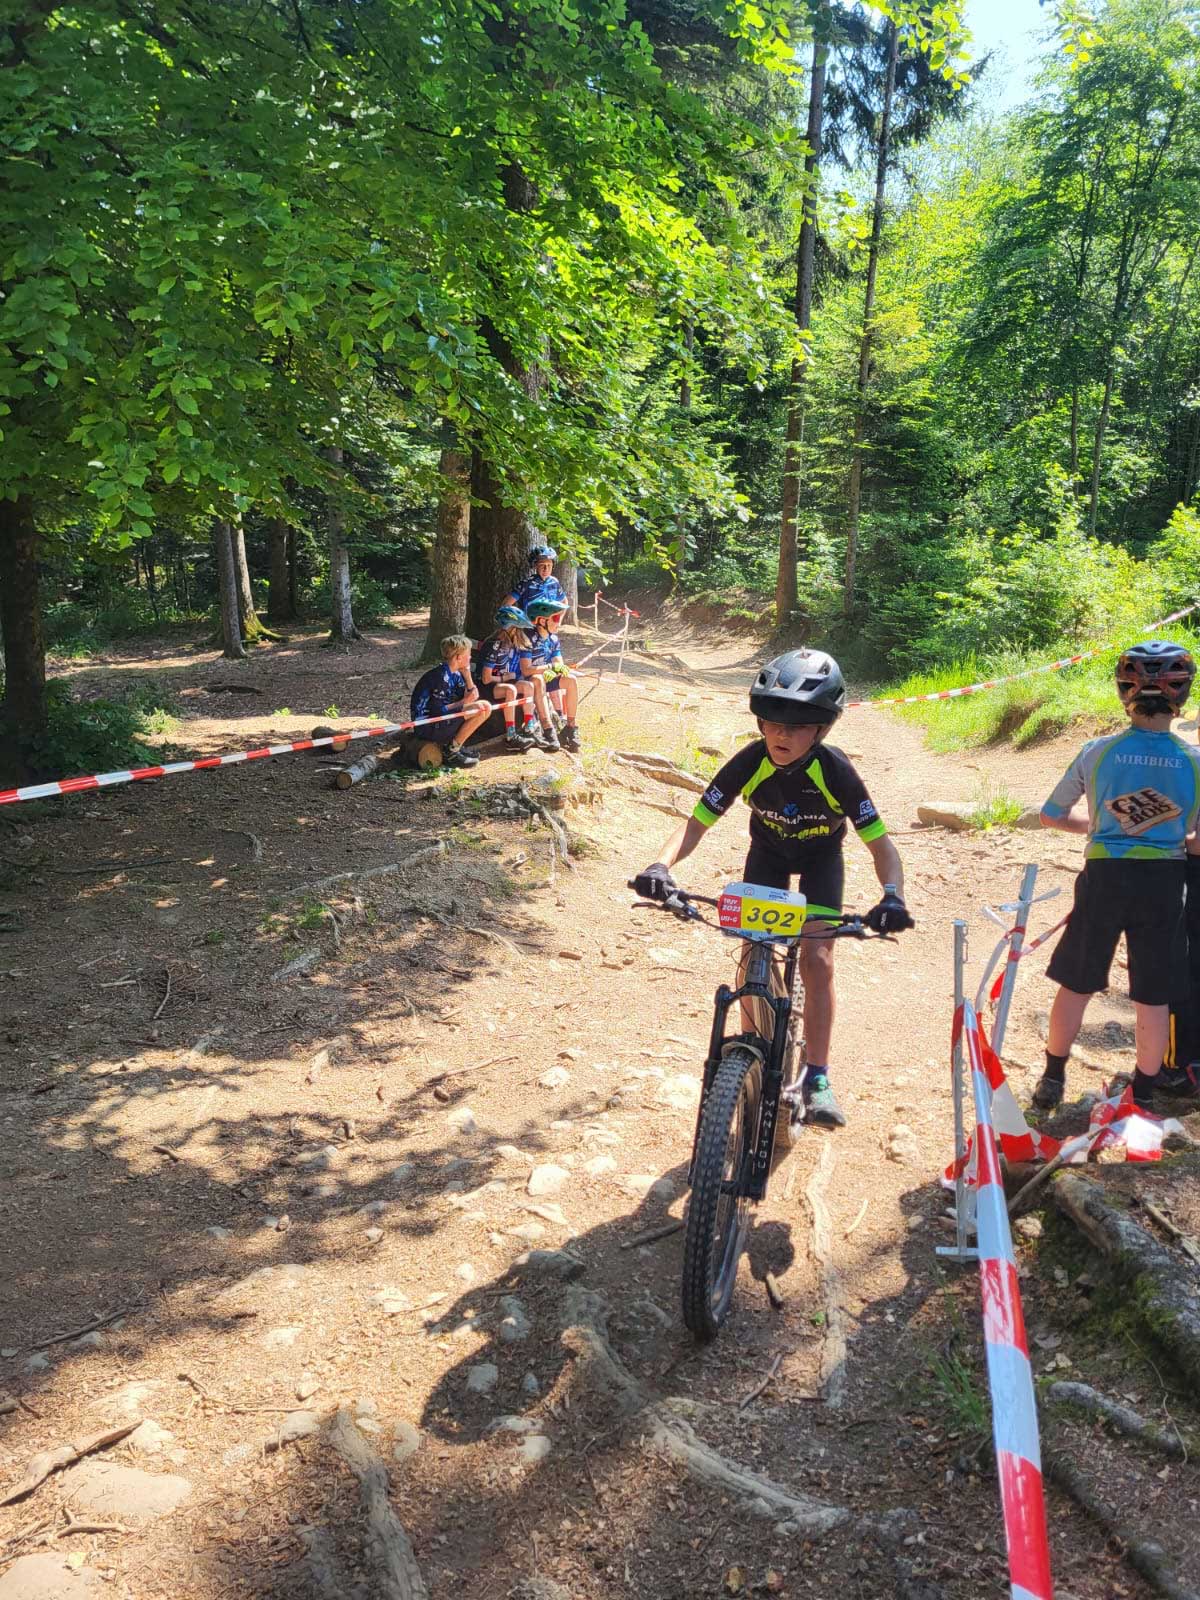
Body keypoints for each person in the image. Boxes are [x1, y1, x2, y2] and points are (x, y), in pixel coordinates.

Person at [633, 648, 912, 1128]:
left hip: (821, 861)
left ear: (821, 730)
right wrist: (660, 865)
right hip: (767, 856)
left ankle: (818, 1077)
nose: (782, 734)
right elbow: (695, 825)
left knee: (818, 959)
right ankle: (755, 1053)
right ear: (760, 722)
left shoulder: (836, 771)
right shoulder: (749, 762)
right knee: (753, 954)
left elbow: (882, 847)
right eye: (773, 722)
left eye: (798, 726)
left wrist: (892, 896)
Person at [1035, 638, 1200, 1112]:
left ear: (1124, 693)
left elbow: (1051, 814)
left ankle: (1052, 1077)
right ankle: (1143, 1094)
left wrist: (1102, 827)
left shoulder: (1097, 751)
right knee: (1154, 992)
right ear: (1182, 695)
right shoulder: (1194, 761)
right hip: (1164, 882)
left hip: (1104, 875)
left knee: (1077, 981)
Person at [409, 634, 492, 769]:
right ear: (458, 657)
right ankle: (451, 752)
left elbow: (473, 696)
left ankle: (456, 746)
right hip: (427, 726)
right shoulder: (441, 677)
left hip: (440, 720)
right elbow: (438, 711)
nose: (470, 657)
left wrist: (467, 675)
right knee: (480, 708)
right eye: (468, 654)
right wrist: (464, 702)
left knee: (484, 707)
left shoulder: (455, 673)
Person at [475, 605, 537, 751]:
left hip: (501, 682)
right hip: (486, 686)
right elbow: (486, 679)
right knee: (511, 690)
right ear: (511, 629)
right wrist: (505, 678)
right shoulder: (494, 645)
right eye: (519, 630)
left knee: (528, 686)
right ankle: (511, 735)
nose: (521, 633)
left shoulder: (511, 643)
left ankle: (529, 727)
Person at [523, 599, 581, 752]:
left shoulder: (553, 639)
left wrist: (556, 669)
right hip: (528, 681)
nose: (559, 623)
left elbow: (559, 663)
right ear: (542, 620)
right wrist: (548, 668)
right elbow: (526, 670)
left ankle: (570, 727)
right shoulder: (527, 638)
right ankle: (548, 729)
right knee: (538, 679)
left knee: (571, 680)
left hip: (545, 678)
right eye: (555, 618)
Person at [505, 545, 569, 616]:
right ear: (536, 566)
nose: (546, 569)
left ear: (552, 566)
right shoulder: (526, 584)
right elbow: (505, 605)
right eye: (542, 565)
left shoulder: (554, 582)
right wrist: (515, 620)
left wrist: (559, 620)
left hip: (548, 622)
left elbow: (564, 601)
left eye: (549, 565)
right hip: (529, 622)